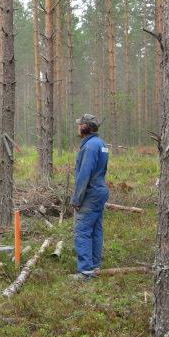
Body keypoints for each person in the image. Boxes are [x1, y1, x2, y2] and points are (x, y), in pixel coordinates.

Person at [70, 114, 110, 281]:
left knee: (83, 230)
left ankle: (86, 272)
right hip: (100, 190)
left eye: (80, 125)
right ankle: (94, 265)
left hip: (91, 192)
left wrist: (76, 199)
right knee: (95, 229)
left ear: (86, 127)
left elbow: (84, 174)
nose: (78, 127)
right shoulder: (101, 144)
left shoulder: (90, 146)